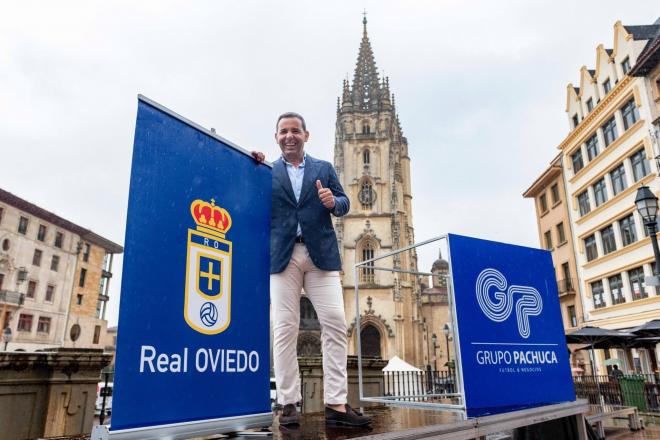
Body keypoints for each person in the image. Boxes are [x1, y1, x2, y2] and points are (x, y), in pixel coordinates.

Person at [252, 112, 371, 427]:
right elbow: (250, 200)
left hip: (320, 253)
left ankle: (336, 405)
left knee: (334, 323)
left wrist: (333, 201)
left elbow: (345, 204)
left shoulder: (323, 168)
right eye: (283, 131)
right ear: (276, 137)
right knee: (284, 328)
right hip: (283, 256)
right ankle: (288, 403)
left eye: (295, 130)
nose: (289, 135)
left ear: (306, 135)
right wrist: (250, 165)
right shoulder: (266, 170)